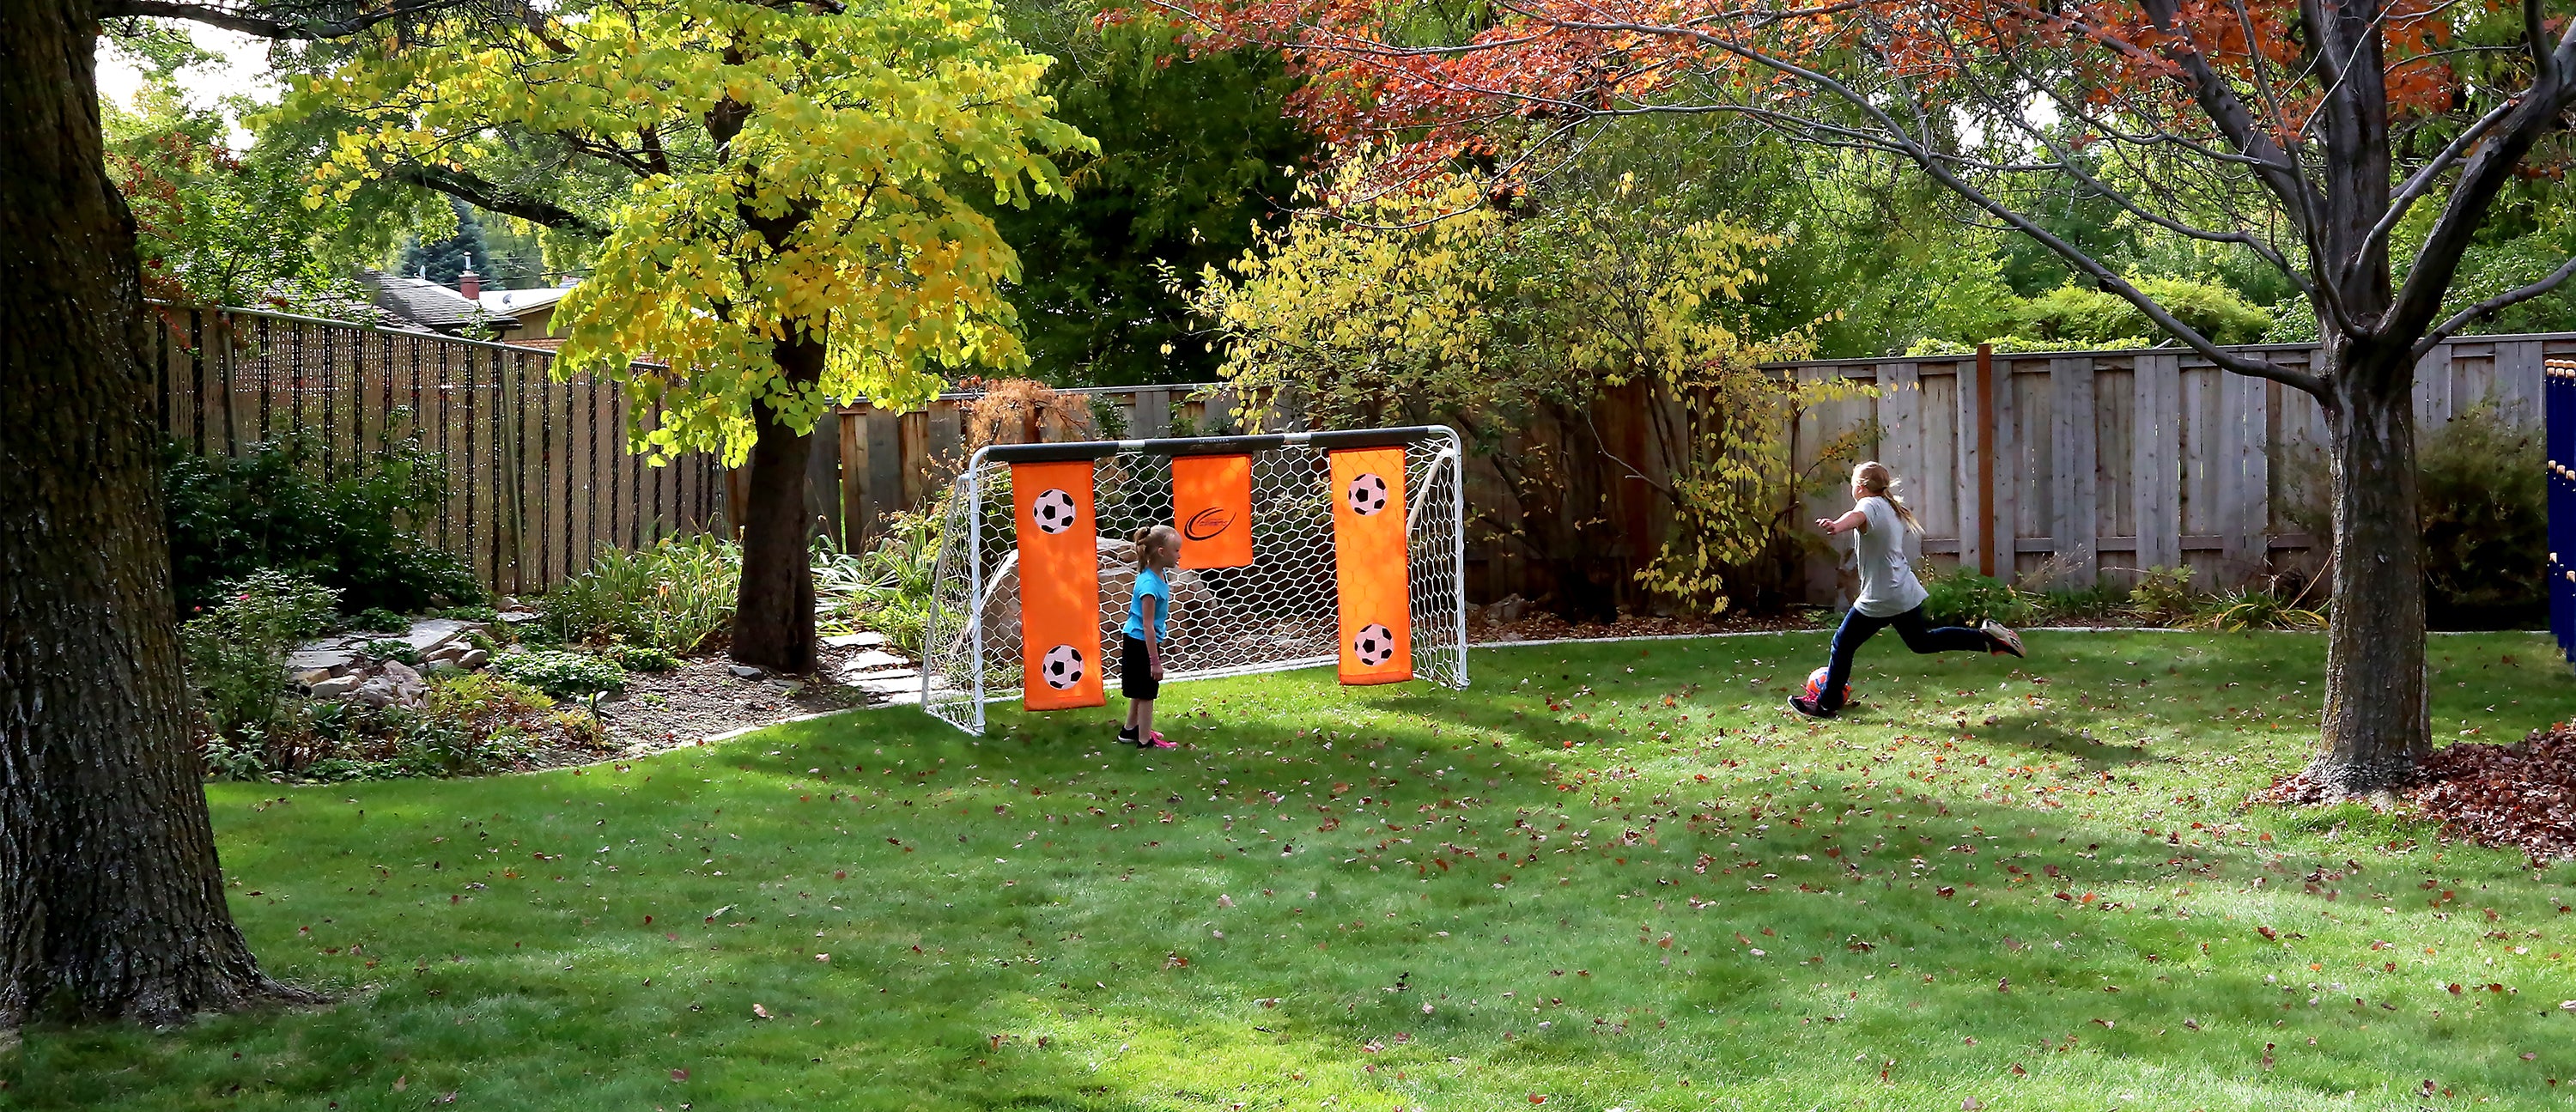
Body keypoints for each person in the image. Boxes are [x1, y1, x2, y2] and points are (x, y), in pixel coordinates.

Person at [1790, 461, 2024, 720]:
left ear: (1860, 487)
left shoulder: (1869, 505)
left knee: (1842, 644)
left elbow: (1856, 517)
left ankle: (1825, 704)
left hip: (1882, 597)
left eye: (1853, 483)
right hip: (1902, 589)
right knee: (1922, 642)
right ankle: (1989, 638)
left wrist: (1836, 525)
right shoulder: (1891, 507)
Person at [1120, 525, 1182, 748]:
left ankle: (1129, 730)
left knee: (1139, 688)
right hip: (1140, 641)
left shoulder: (1159, 575)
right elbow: (1147, 625)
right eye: (1176, 550)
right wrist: (1154, 662)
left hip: (1142, 640)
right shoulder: (1148, 585)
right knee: (1146, 692)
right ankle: (1145, 740)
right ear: (1162, 553)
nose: (1179, 554)